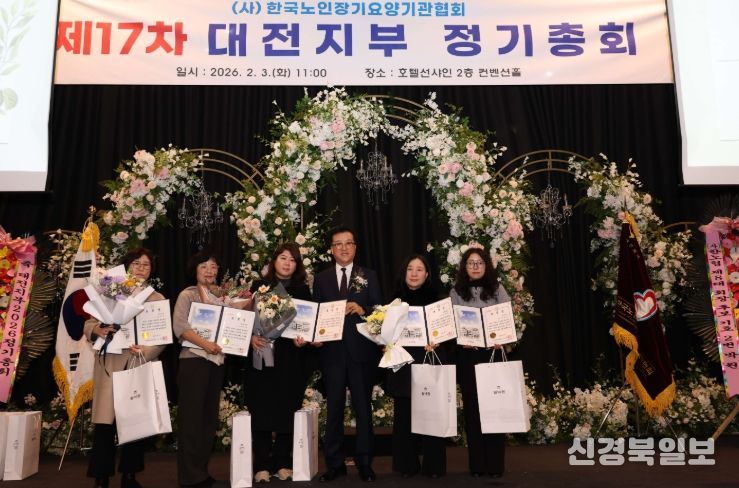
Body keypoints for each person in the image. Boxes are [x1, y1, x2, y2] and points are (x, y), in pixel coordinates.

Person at [85, 247, 165, 488]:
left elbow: (162, 337)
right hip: (110, 363)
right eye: (136, 263)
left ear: (151, 270)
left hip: (137, 363)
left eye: (146, 265)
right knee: (105, 425)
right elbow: (89, 322)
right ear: (127, 267)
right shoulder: (111, 290)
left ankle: (130, 475)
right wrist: (96, 329)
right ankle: (101, 476)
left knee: (135, 424)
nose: (141, 268)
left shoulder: (156, 298)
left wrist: (145, 351)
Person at [312, 227, 381, 482]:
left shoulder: (369, 275)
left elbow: (379, 310)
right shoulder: (321, 279)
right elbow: (315, 315)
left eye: (348, 243)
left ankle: (365, 462)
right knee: (334, 410)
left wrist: (363, 309)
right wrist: (315, 337)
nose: (343, 248)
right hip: (331, 353)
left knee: (363, 409)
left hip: (361, 352)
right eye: (338, 244)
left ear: (355, 247)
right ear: (331, 250)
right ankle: (334, 463)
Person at [246, 243, 313, 483]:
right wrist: (250, 337)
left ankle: (283, 462)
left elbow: (307, 325)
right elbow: (243, 320)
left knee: (287, 408)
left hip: (291, 358)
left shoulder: (303, 291)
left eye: (292, 260)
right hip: (262, 355)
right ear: (274, 261)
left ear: (297, 265)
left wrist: (303, 341)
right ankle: (262, 464)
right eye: (283, 258)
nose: (287, 263)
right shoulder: (259, 287)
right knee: (261, 409)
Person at [384, 254, 449, 479]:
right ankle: (407, 465)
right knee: (404, 416)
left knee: (432, 413)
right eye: (410, 269)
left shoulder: (438, 300)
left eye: (419, 269)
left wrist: (439, 340)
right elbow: (384, 333)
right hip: (403, 363)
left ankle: (434, 466)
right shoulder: (393, 301)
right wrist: (385, 343)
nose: (414, 273)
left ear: (427, 274)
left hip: (429, 358)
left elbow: (447, 333)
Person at [173, 251, 233, 488]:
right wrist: (206, 344)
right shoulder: (187, 295)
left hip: (216, 362)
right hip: (193, 361)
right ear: (195, 270)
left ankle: (201, 471)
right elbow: (180, 327)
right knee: (191, 420)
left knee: (208, 420)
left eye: (213, 267)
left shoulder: (224, 296)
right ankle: (189, 476)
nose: (209, 271)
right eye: (204, 266)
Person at [450, 247, 511, 478]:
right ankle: (477, 465)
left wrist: (502, 338)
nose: (475, 267)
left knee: (494, 410)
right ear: (464, 267)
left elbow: (507, 320)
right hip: (468, 357)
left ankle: (495, 465)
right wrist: (460, 340)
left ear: (487, 266)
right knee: (473, 411)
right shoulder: (456, 292)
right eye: (471, 263)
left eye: (480, 263)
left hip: (492, 356)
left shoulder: (497, 289)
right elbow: (451, 325)